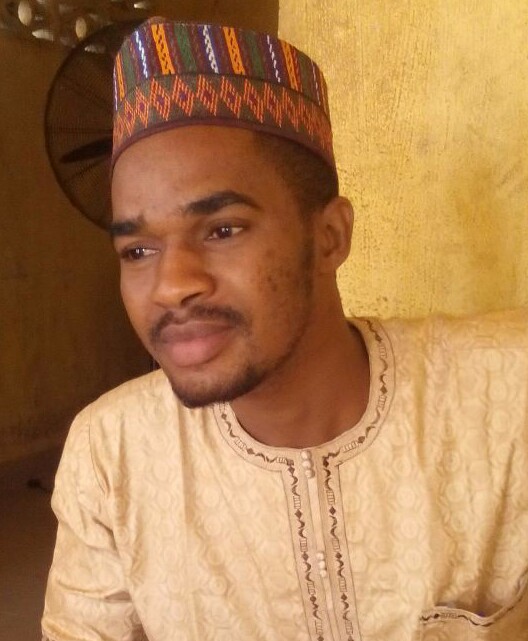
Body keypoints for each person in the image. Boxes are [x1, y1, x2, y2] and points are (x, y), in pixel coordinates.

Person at [41, 17, 528, 641]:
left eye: (223, 230)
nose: (170, 285)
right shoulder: (112, 453)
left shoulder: (505, 390)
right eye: (137, 251)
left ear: (329, 237)